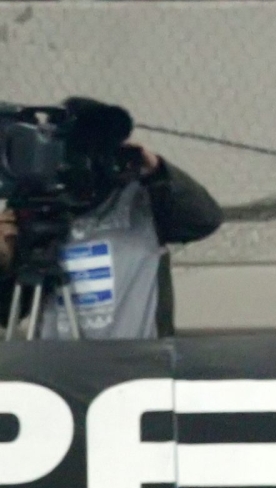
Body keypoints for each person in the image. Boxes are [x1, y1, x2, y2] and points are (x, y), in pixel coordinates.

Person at [0, 97, 223, 339]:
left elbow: (205, 219)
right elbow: (6, 310)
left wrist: (159, 171)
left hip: (138, 357)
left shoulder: (143, 198)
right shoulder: (36, 207)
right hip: (55, 359)